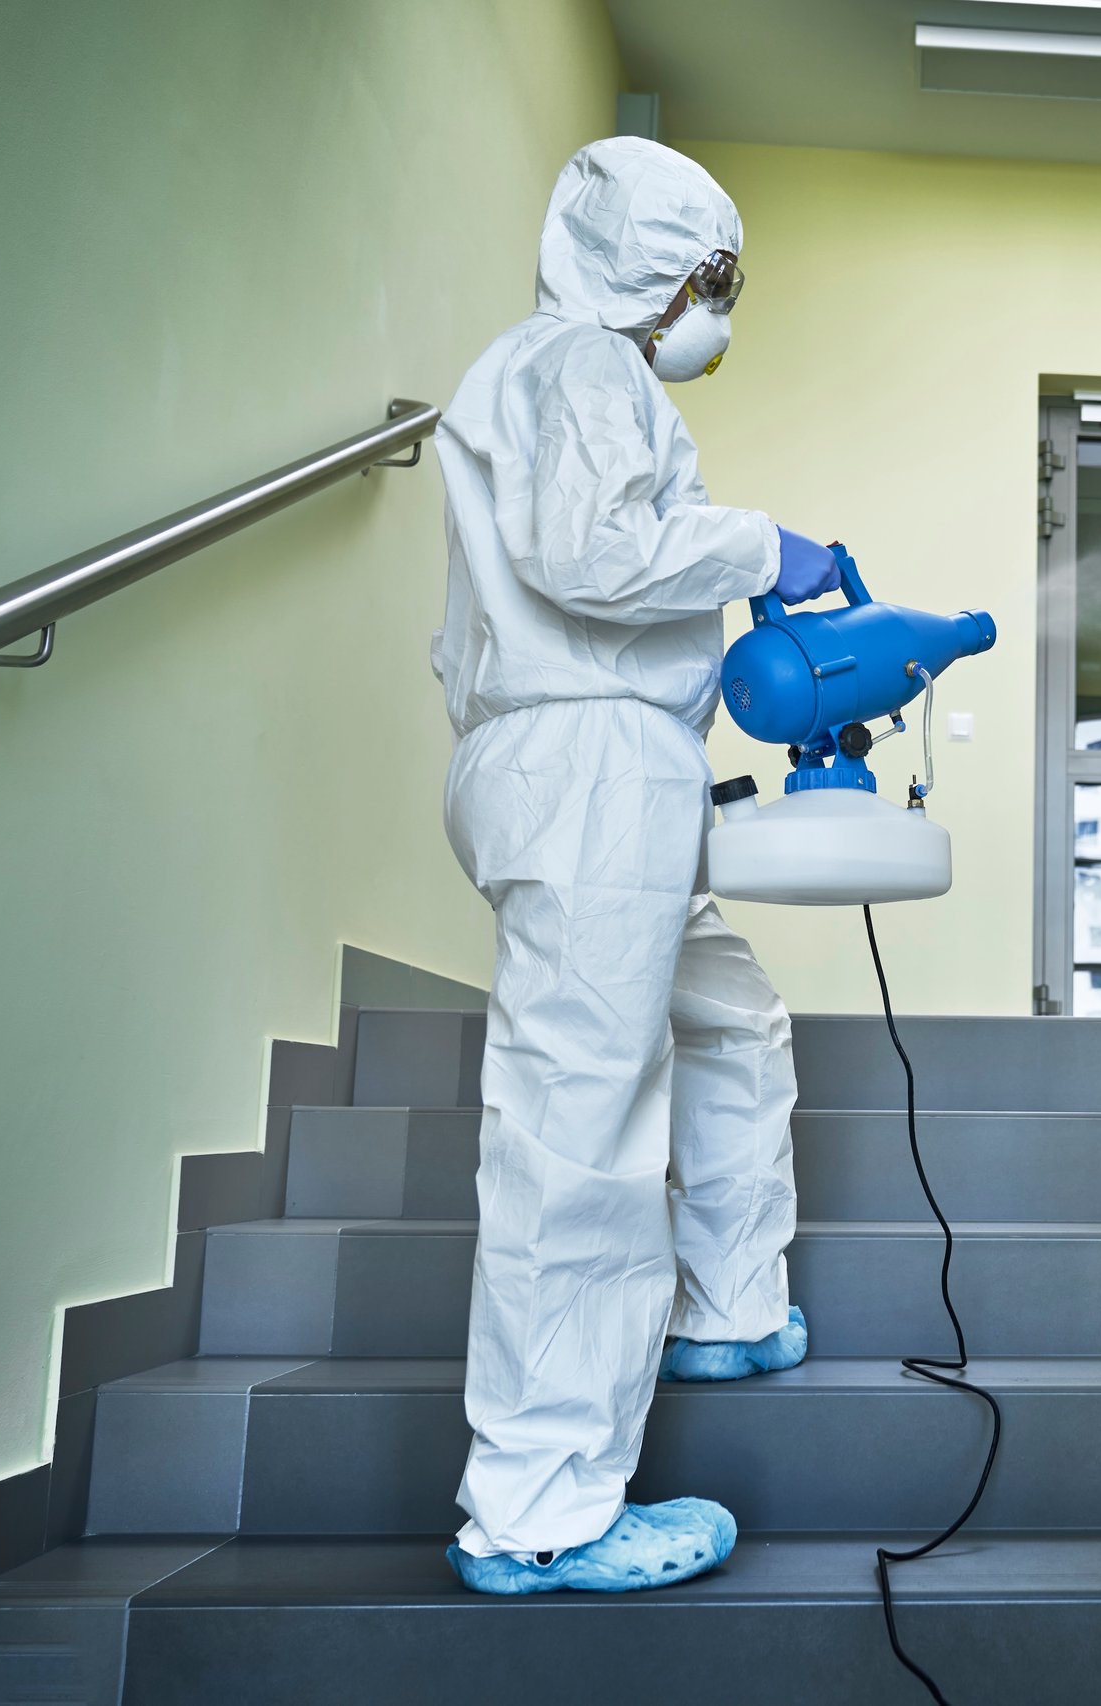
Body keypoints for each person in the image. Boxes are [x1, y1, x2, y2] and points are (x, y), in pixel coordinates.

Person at [427, 137, 840, 1596]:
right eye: (709, 281)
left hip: (620, 770)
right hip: (588, 770)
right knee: (580, 1126)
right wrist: (762, 549)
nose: (716, 312)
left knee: (733, 1021)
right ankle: (539, 1504)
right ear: (646, 268)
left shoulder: (580, 379)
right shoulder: (578, 365)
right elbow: (593, 553)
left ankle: (727, 1303)